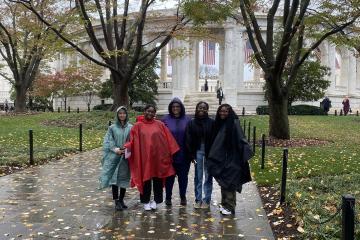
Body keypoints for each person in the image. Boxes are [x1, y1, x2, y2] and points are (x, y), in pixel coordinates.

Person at [124, 104, 179, 211]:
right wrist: (127, 147)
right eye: (148, 111)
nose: (150, 113)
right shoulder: (137, 126)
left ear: (155, 114)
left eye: (152, 112)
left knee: (158, 179)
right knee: (146, 180)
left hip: (158, 157)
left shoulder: (160, 124)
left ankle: (156, 201)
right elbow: (132, 141)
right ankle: (145, 201)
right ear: (144, 111)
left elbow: (168, 139)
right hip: (144, 158)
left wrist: (169, 153)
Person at [207, 104, 253, 215]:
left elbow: (241, 139)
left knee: (230, 183)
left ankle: (230, 207)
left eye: (225, 111)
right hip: (222, 158)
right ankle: (225, 204)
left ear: (230, 112)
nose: (223, 113)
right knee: (224, 182)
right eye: (221, 111)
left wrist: (244, 155)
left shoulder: (233, 123)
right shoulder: (219, 123)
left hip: (232, 158)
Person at [100, 106, 133, 211]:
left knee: (124, 178)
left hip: (125, 156)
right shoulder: (112, 128)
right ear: (117, 115)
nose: (122, 115)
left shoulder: (131, 127)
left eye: (124, 113)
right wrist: (116, 149)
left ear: (126, 115)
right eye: (120, 113)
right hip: (115, 156)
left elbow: (133, 140)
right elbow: (109, 141)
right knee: (114, 179)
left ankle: (122, 199)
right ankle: (116, 201)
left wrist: (126, 149)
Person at [162, 98, 191, 206]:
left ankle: (183, 196)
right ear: (170, 108)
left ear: (181, 108)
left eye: (177, 106)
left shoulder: (188, 120)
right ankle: (168, 197)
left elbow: (191, 136)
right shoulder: (165, 119)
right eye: (173, 107)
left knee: (183, 178)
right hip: (170, 155)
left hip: (184, 155)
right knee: (169, 178)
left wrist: (191, 153)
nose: (175, 108)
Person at [185, 101, 214, 209]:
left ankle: (207, 200)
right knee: (198, 176)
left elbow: (215, 138)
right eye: (199, 108)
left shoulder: (212, 122)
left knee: (208, 176)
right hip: (197, 152)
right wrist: (191, 155)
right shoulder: (192, 122)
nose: (201, 110)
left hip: (209, 152)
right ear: (196, 109)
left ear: (207, 110)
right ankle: (198, 199)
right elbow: (188, 139)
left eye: (204, 108)